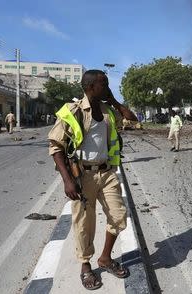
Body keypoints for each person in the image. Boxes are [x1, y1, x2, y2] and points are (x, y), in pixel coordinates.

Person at [48, 69, 137, 290]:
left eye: (107, 84)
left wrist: (114, 100)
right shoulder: (73, 111)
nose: (107, 87)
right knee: (84, 225)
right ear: (90, 87)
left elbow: (131, 119)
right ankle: (85, 266)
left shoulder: (107, 111)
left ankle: (105, 258)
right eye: (103, 84)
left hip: (107, 173)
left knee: (118, 216)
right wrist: (68, 181)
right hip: (82, 176)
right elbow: (55, 147)